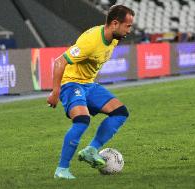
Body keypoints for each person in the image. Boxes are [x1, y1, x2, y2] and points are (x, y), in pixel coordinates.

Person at [47, 5, 134, 179]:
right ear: (115, 23)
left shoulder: (115, 38)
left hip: (88, 85)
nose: (129, 30)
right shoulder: (91, 41)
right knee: (82, 120)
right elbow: (59, 62)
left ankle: (91, 150)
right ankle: (61, 170)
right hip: (71, 84)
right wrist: (55, 92)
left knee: (120, 113)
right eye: (128, 26)